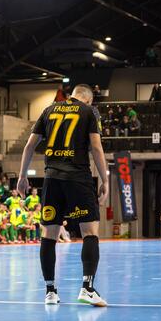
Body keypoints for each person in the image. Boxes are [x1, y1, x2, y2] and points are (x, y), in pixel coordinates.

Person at [17, 83, 109, 306]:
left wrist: (22, 176)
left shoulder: (49, 110)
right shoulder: (89, 112)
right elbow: (96, 147)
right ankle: (87, 288)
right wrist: (105, 179)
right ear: (88, 100)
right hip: (78, 178)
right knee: (90, 232)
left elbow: (29, 145)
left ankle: (50, 291)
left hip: (52, 179)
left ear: (72, 95)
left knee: (48, 235)